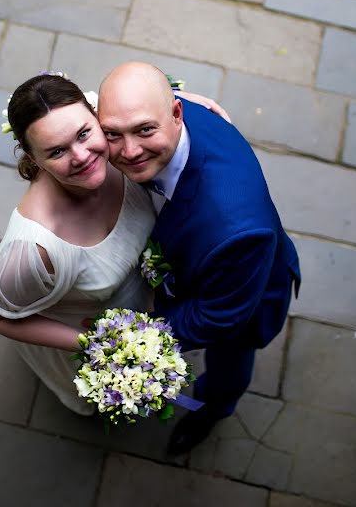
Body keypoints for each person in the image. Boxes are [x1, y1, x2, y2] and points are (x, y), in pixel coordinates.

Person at [0, 73, 227, 415]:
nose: (81, 156)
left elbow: (143, 101)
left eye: (84, 134)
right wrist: (100, 345)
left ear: (97, 116)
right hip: (90, 325)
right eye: (57, 151)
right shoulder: (35, 249)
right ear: (34, 160)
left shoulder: (121, 147)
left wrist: (186, 104)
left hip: (143, 296)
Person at [97, 62, 301, 455]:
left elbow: (218, 315)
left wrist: (135, 344)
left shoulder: (237, 229)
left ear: (176, 114)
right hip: (196, 259)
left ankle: (212, 412)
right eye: (112, 135)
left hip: (242, 296)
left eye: (144, 130)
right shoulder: (163, 108)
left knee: (229, 364)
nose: (130, 151)